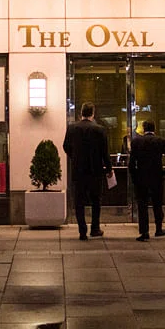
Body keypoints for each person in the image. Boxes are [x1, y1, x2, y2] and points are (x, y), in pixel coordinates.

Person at [62, 101, 113, 241]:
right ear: (93, 113)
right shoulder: (100, 130)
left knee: (79, 201)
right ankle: (95, 228)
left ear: (81, 113)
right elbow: (105, 152)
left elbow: (65, 146)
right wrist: (109, 169)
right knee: (96, 200)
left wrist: (75, 157)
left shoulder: (72, 128)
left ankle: (82, 231)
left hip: (78, 171)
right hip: (95, 171)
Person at [128, 120, 165, 242]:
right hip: (157, 178)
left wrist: (134, 177)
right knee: (157, 204)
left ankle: (144, 232)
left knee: (142, 205)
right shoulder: (160, 141)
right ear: (154, 129)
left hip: (141, 178)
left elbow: (131, 163)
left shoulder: (136, 142)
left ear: (143, 129)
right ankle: (159, 229)